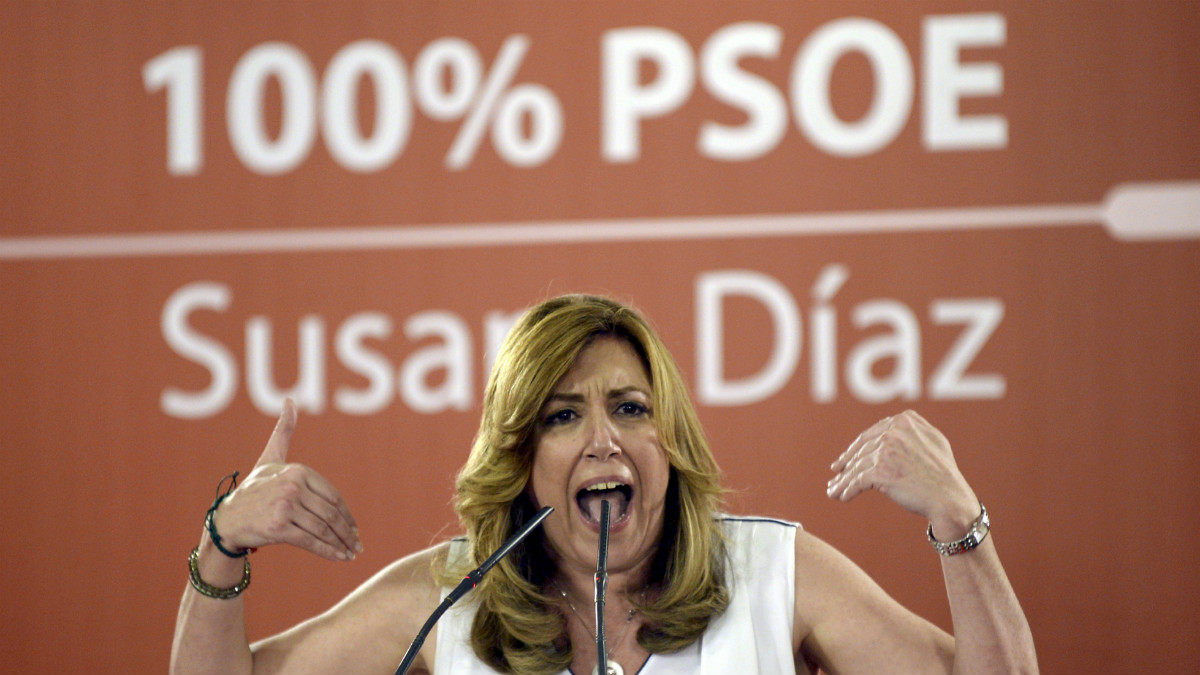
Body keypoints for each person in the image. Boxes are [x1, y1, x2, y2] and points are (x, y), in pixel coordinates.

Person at [171, 294, 1038, 675]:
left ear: (670, 441)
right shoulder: (449, 599)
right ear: (519, 459)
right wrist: (223, 542)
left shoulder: (776, 573)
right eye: (559, 416)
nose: (602, 441)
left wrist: (960, 520)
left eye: (629, 407)